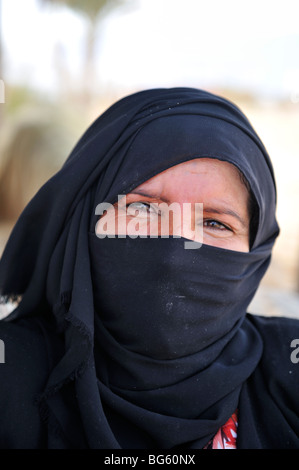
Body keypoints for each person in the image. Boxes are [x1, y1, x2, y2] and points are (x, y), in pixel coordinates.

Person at [0, 87, 298, 449]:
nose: (176, 249)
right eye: (143, 209)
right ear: (83, 222)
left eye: (215, 223)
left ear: (256, 253)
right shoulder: (9, 376)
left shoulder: (289, 371)